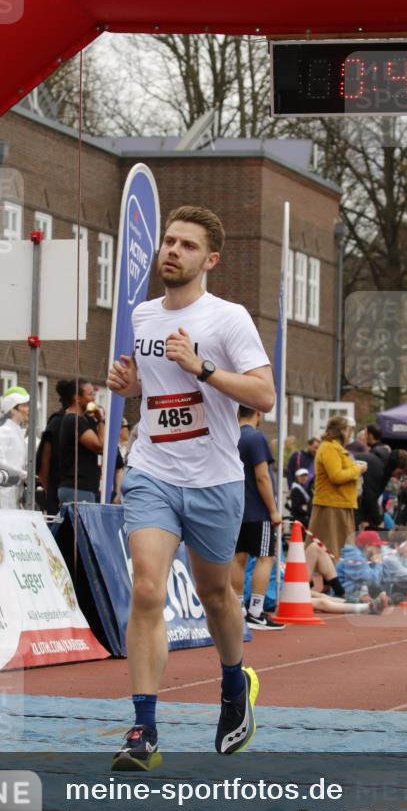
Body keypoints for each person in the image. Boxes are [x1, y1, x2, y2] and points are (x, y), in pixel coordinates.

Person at [106, 204, 274, 770]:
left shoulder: (228, 318)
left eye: (187, 246)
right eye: (169, 242)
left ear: (211, 259)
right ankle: (143, 729)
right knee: (149, 589)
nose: (172, 252)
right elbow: (151, 391)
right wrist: (130, 386)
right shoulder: (142, 314)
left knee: (217, 594)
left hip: (214, 477)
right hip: (153, 470)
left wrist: (203, 370)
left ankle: (233, 685)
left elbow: (264, 396)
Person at [230, 406, 284, 631]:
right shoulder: (256, 438)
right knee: (265, 557)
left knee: (238, 557)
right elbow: (262, 476)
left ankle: (238, 607)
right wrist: (273, 510)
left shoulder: (231, 436)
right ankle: (256, 611)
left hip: (235, 507)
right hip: (256, 509)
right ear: (258, 414)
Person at [308, 415, 364, 559]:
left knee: (341, 550)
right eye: (348, 430)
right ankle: (327, 579)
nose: (349, 433)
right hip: (331, 506)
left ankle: (333, 578)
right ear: (343, 431)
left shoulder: (335, 448)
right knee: (332, 550)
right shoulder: (329, 447)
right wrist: (358, 469)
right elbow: (336, 476)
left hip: (340, 504)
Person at [56, 378, 105, 504]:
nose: (94, 399)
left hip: (78, 488)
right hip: (78, 488)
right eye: (90, 395)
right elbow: (100, 447)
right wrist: (101, 421)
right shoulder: (74, 421)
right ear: (77, 397)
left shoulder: (82, 420)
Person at [0, 386, 30, 509]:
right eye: (24, 405)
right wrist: (22, 474)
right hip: (3, 493)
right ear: (13, 410)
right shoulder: (4, 430)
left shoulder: (15, 429)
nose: (28, 409)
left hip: (12, 491)